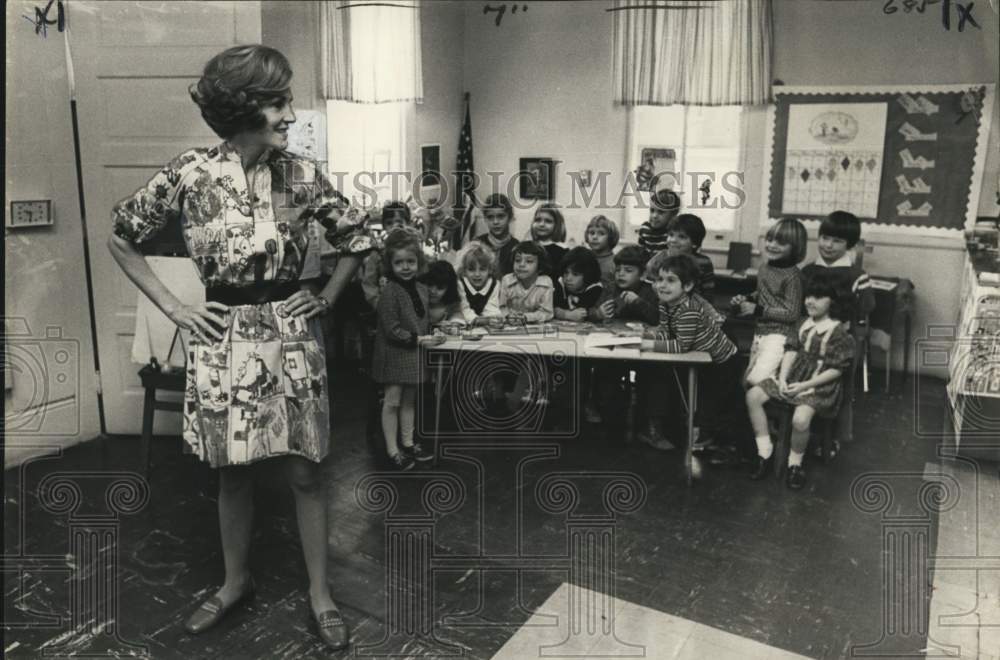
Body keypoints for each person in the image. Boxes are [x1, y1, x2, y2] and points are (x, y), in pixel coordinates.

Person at [107, 45, 368, 651]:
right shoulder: (190, 174)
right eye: (278, 102)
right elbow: (122, 236)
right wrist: (176, 308)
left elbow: (358, 236)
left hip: (293, 335)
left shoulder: (302, 174)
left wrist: (325, 297)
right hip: (221, 339)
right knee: (232, 475)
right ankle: (234, 582)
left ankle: (321, 593)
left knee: (305, 472)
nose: (289, 113)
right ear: (246, 107)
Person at [745, 273, 856, 489]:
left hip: (819, 385)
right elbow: (791, 350)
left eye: (818, 297)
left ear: (831, 301)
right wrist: (784, 378)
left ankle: (794, 465)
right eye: (808, 296)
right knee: (753, 396)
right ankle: (764, 451)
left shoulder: (838, 331)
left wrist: (804, 386)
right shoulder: (802, 323)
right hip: (793, 376)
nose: (810, 301)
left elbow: (836, 370)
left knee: (800, 419)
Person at [639, 255, 738, 451]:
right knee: (697, 404)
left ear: (687, 286)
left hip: (723, 363)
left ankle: (708, 443)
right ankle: (698, 438)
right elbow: (667, 332)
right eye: (659, 279)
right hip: (703, 357)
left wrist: (649, 345)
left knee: (710, 408)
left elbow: (681, 346)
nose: (662, 286)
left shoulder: (688, 310)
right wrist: (648, 336)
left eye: (670, 280)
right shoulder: (666, 303)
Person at [371, 228, 446, 470]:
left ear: (419, 263)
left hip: (414, 354)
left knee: (410, 401)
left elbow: (424, 320)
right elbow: (392, 330)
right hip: (394, 355)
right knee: (392, 401)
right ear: (390, 265)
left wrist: (435, 330)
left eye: (411, 262)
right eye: (399, 262)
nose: (405, 267)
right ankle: (393, 450)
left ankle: (408, 442)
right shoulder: (389, 292)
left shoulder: (422, 289)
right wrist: (421, 340)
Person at [731, 218, 807, 386]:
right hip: (760, 332)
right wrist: (748, 298)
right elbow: (765, 293)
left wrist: (758, 309)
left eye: (781, 243)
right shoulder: (765, 268)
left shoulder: (793, 277)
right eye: (770, 239)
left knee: (758, 380)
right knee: (748, 379)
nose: (772, 245)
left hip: (780, 336)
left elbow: (792, 312)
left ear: (795, 247)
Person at [590, 244, 659, 326]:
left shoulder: (651, 291)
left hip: (641, 336)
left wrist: (638, 302)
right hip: (613, 334)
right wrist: (598, 314)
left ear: (643, 275)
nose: (621, 274)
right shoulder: (611, 288)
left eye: (628, 270)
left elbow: (658, 319)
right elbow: (591, 312)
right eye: (618, 270)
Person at [498, 241, 554, 324]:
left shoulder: (546, 283)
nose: (521, 264)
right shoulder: (507, 280)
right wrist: (508, 316)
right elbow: (501, 307)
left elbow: (547, 312)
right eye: (517, 260)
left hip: (534, 326)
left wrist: (527, 317)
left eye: (529, 261)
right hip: (510, 325)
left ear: (540, 265)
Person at [665, 213, 715, 297]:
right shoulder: (662, 258)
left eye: (681, 237)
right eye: (671, 235)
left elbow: (708, 292)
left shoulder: (704, 262)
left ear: (694, 243)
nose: (673, 240)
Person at [455, 241, 502, 322]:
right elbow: (464, 309)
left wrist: (491, 319)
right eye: (471, 269)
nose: (477, 274)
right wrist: (477, 320)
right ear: (464, 271)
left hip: (484, 321)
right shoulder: (460, 284)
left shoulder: (494, 284)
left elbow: (492, 308)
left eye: (482, 269)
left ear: (490, 269)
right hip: (465, 319)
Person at [553, 247, 604, 321]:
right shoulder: (560, 283)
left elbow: (585, 314)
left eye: (575, 274)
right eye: (566, 272)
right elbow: (550, 309)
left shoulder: (595, 288)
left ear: (588, 275)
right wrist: (566, 314)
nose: (568, 278)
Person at [474, 194, 517, 276]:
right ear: (485, 219)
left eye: (500, 216)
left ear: (510, 217)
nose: (495, 222)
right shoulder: (477, 244)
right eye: (490, 217)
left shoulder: (516, 247)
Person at [637, 189, 680, 256]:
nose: (654, 216)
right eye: (652, 210)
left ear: (673, 214)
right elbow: (639, 254)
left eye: (661, 212)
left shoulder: (672, 234)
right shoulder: (645, 229)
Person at [419, 259, 463, 324]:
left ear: (449, 289)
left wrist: (454, 322)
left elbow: (457, 314)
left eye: (440, 288)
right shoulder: (418, 302)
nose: (433, 291)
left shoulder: (451, 305)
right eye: (430, 285)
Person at [529, 203, 568, 272]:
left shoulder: (562, 251)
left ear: (557, 225)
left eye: (548, 221)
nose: (541, 224)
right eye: (538, 220)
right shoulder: (528, 246)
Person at [584, 214, 620, 287]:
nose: (594, 237)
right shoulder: (583, 258)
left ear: (611, 237)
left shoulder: (615, 263)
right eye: (592, 233)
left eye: (601, 233)